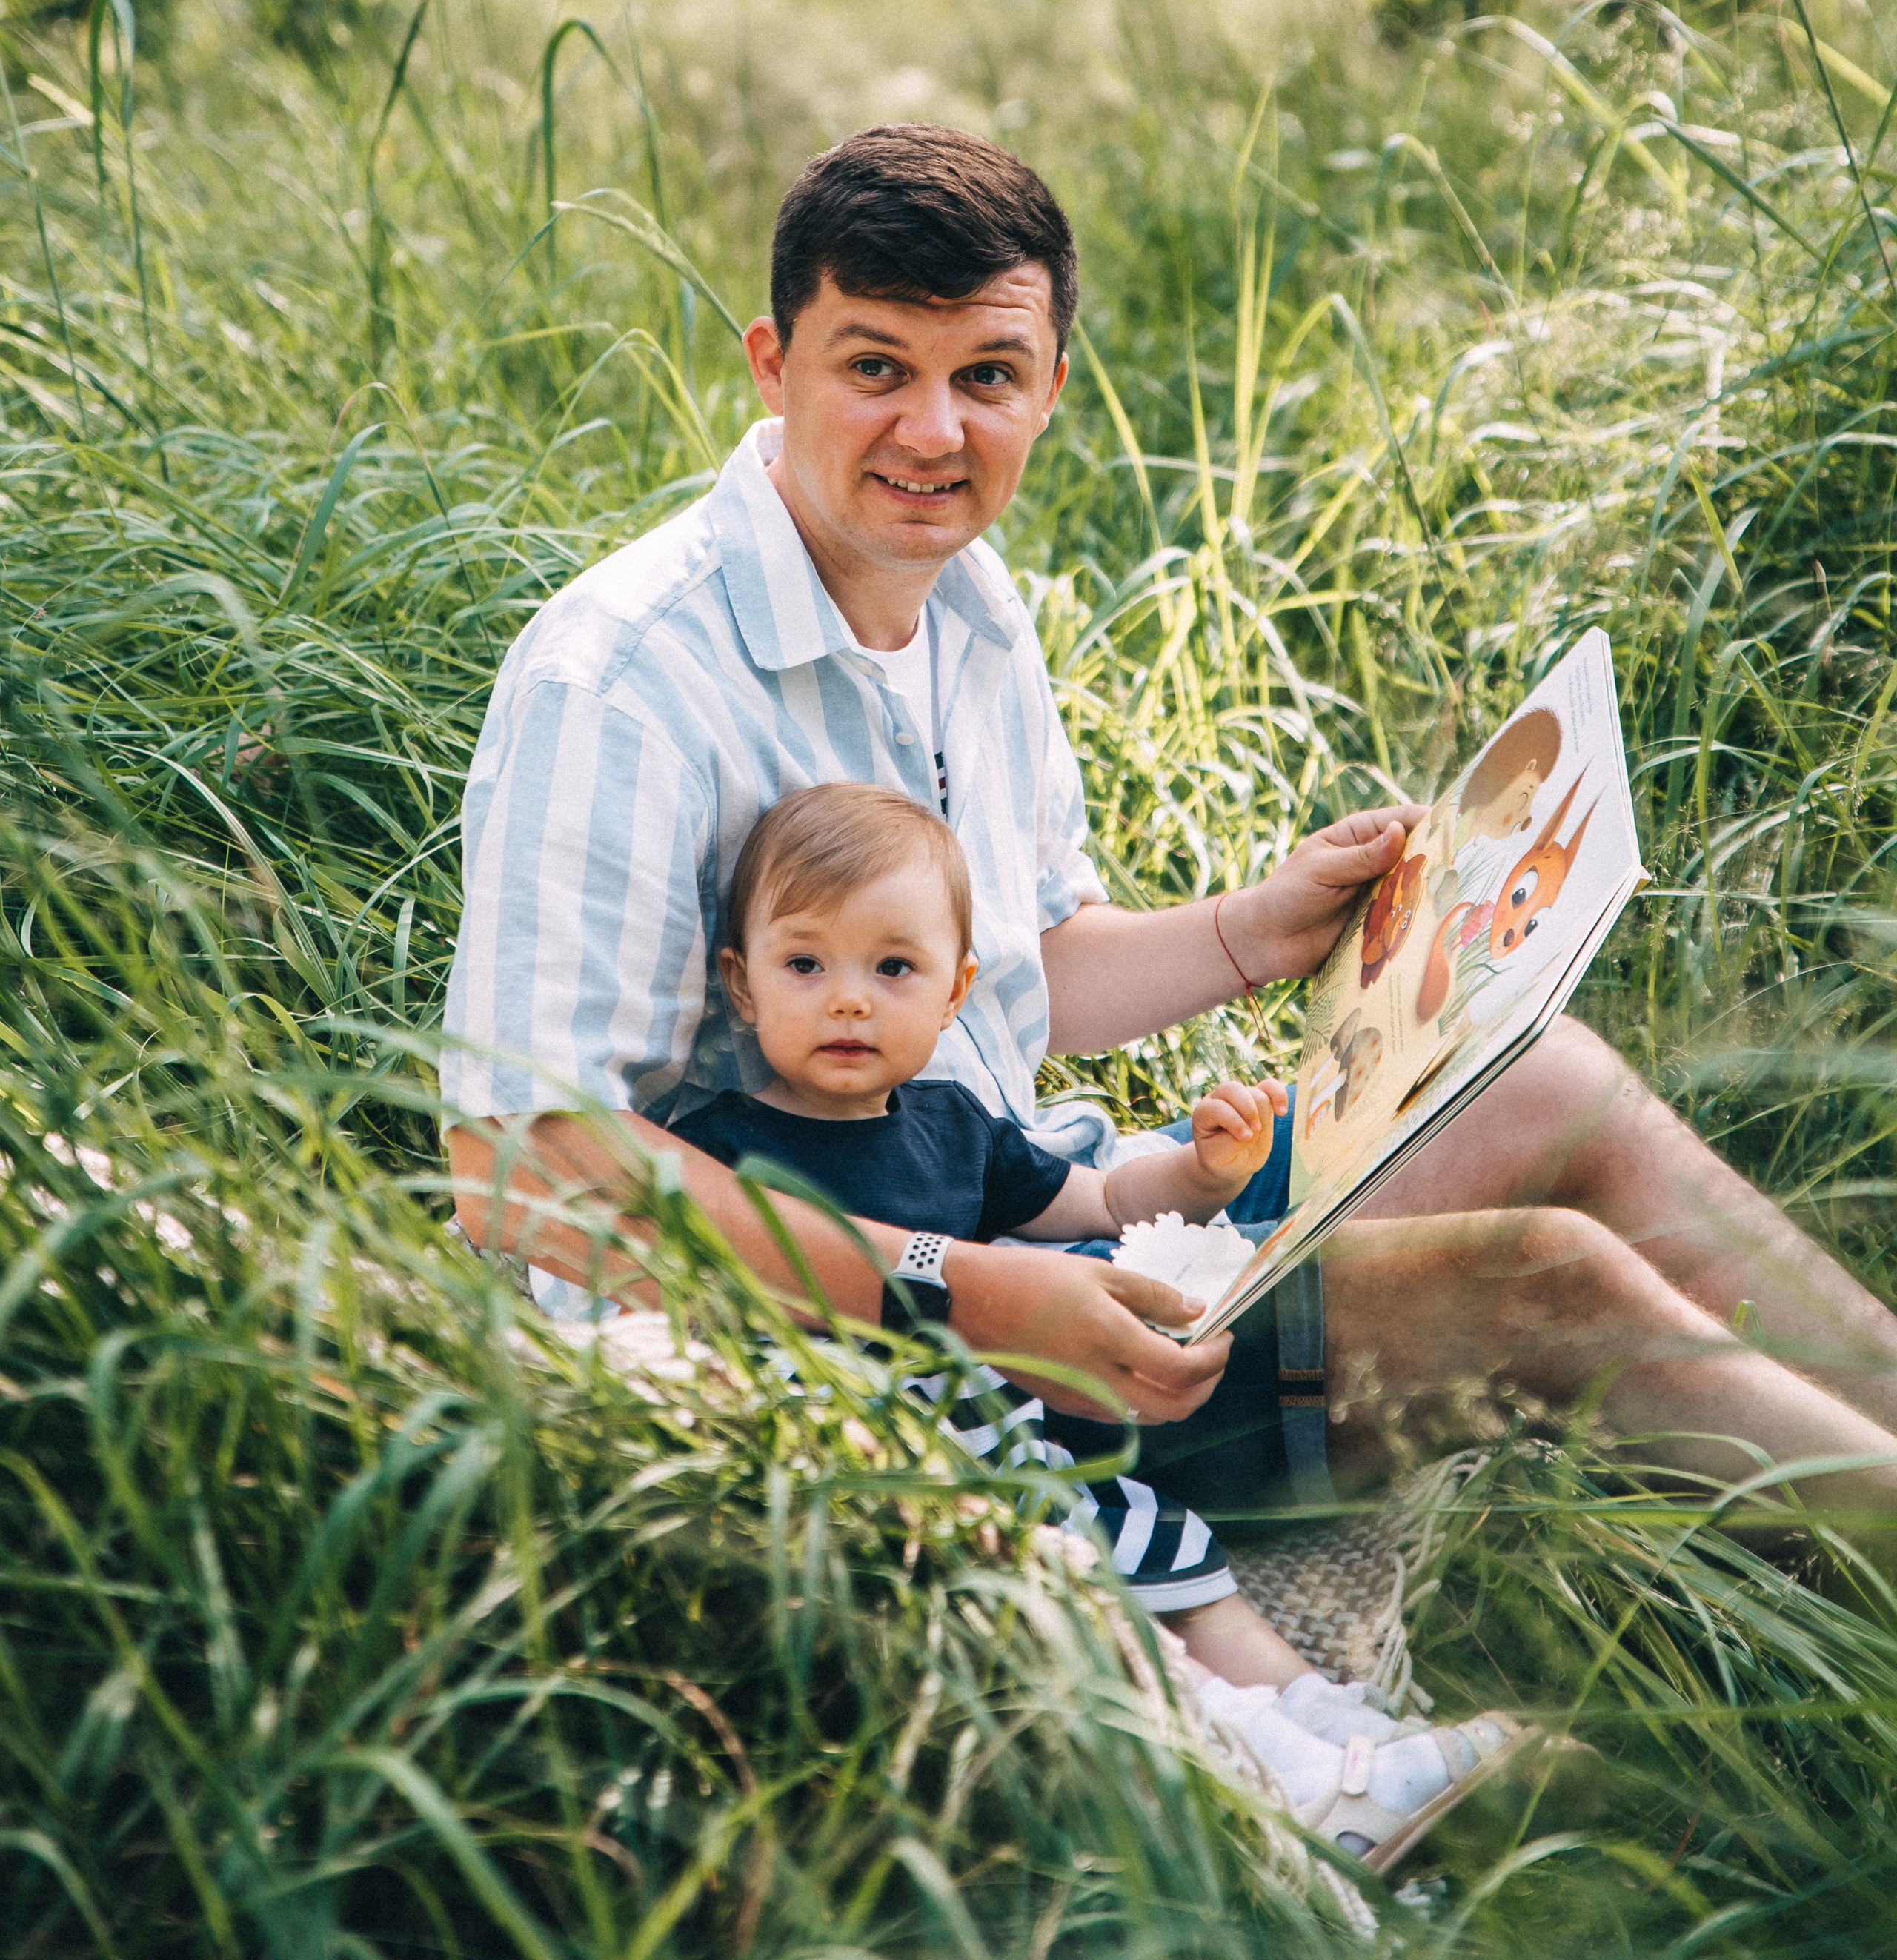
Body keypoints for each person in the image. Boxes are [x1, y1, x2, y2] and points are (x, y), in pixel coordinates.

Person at [445, 122, 1897, 1551]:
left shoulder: (965, 604)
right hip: (863, 1370)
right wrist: (971, 1291)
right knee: (1545, 1282)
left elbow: (1014, 970)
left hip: (1025, 1230)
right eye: (875, 365)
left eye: (987, 377)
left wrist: (1242, 931)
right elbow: (522, 1165)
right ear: (773, 363)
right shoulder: (622, 684)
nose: (933, 431)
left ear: (1051, 386)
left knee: (1551, 1082)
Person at [671, 776, 1540, 1867]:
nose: (849, 1001)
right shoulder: (718, 1146)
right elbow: (693, 1275)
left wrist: (1204, 1168)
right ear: (742, 988)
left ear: (954, 993)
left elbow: (1096, 1203)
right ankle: (1295, 1777)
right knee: (1089, 1603)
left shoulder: (953, 1129)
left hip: (1013, 1433)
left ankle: (1340, 1729)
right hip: (882, 1460)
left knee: (1169, 1551)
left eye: (893, 969)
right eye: (807, 966)